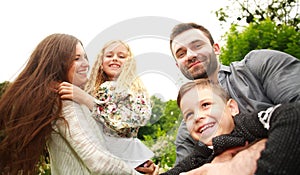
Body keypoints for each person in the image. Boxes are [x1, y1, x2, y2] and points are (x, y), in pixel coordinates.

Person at [0, 34, 157, 175]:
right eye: (76, 58)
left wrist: (136, 164)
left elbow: (104, 141)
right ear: (57, 63)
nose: (85, 64)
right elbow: (99, 161)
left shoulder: (79, 97)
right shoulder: (66, 101)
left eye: (84, 57)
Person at [169, 22, 300, 168]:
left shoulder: (258, 65)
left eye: (197, 46)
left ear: (216, 48)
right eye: (181, 54)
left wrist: (241, 160)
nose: (190, 55)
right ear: (177, 65)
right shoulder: (188, 130)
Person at [161, 79, 300, 175]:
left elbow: (293, 114)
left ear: (232, 108)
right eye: (189, 115)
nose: (197, 117)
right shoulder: (199, 155)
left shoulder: (248, 124)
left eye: (205, 105)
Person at [59, 40, 154, 172]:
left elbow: (136, 118)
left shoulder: (134, 90)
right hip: (98, 154)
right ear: (101, 63)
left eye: (121, 56)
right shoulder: (92, 89)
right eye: (109, 55)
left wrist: (87, 100)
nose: (115, 59)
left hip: (125, 156)